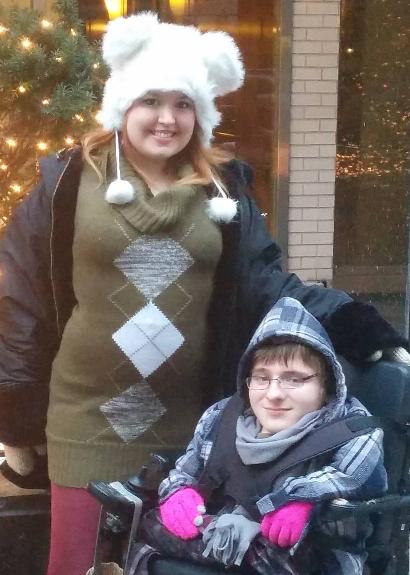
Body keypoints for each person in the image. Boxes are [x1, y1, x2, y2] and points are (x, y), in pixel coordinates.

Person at [0, 12, 406, 575]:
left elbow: (267, 284)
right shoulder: (67, 182)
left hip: (195, 441)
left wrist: (356, 324)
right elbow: (21, 302)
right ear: (123, 103)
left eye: (183, 104)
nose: (167, 118)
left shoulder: (225, 189)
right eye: (151, 100)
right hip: (86, 426)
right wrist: (16, 412)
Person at [135, 297, 387, 575]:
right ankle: (227, 544)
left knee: (283, 552)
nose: (274, 394)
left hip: (305, 554)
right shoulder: (220, 416)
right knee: (148, 521)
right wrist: (178, 492)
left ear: (326, 384)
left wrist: (302, 499)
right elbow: (186, 471)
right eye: (262, 378)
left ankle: (227, 544)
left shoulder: (355, 429)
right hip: (228, 532)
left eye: (294, 379)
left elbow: (349, 476)